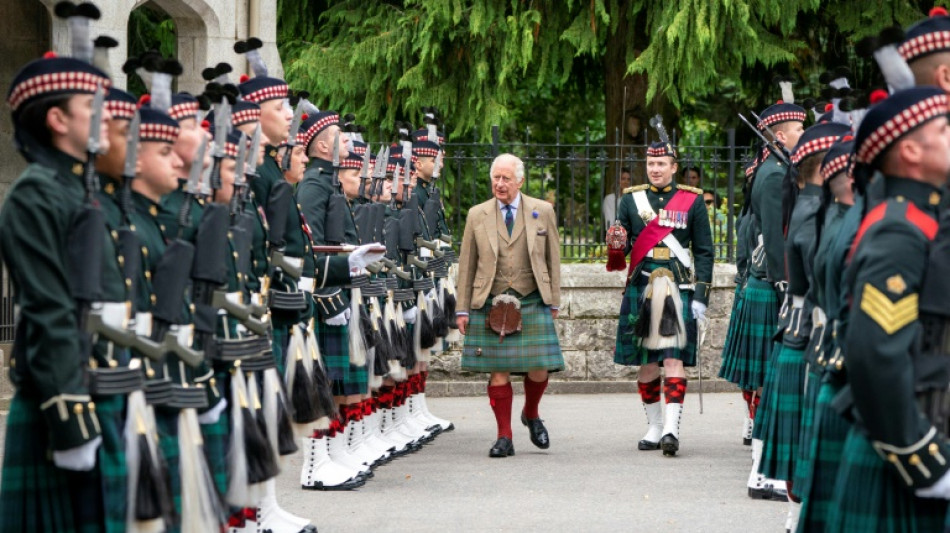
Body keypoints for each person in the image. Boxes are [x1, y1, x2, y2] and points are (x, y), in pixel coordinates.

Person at [0, 15, 118, 531]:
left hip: (102, 381)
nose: (105, 119)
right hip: (63, 395)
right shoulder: (35, 193)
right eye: (91, 107)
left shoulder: (83, 189)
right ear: (57, 119)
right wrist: (68, 413)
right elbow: (50, 309)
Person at [826, 85, 950, 532]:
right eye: (945, 128)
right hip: (907, 455)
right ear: (912, 151)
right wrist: (920, 458)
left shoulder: (920, 217)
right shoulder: (899, 229)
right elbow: (876, 352)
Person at [755, 121, 850, 532]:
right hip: (811, 338)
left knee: (805, 468)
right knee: (807, 470)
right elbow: (818, 287)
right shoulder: (817, 214)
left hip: (802, 337)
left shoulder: (811, 207)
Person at [456, 153, 563, 458]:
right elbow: (467, 264)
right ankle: (504, 436)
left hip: (532, 297)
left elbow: (553, 258)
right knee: (498, 370)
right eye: (495, 178)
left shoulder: (542, 211)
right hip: (490, 300)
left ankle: (531, 413)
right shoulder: (477, 214)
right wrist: (462, 308)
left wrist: (553, 298)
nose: (499, 184)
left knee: (539, 369)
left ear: (520, 181)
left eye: (505, 179)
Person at [613, 141, 713, 457]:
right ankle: (654, 426)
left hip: (678, 287)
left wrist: (702, 294)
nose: (655, 169)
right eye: (651, 164)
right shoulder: (630, 201)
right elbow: (624, 252)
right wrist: (616, 245)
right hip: (642, 287)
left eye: (662, 164)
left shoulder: (692, 201)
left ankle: (671, 430)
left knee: (673, 359)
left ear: (673, 167)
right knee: (646, 364)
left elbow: (705, 252)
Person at [742, 101, 805, 501]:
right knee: (770, 382)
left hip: (772, 284)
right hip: (773, 286)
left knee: (770, 382)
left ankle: (763, 472)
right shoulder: (772, 175)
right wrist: (786, 287)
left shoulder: (777, 169)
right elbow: (773, 236)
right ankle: (761, 475)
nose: (804, 133)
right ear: (779, 136)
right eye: (799, 128)